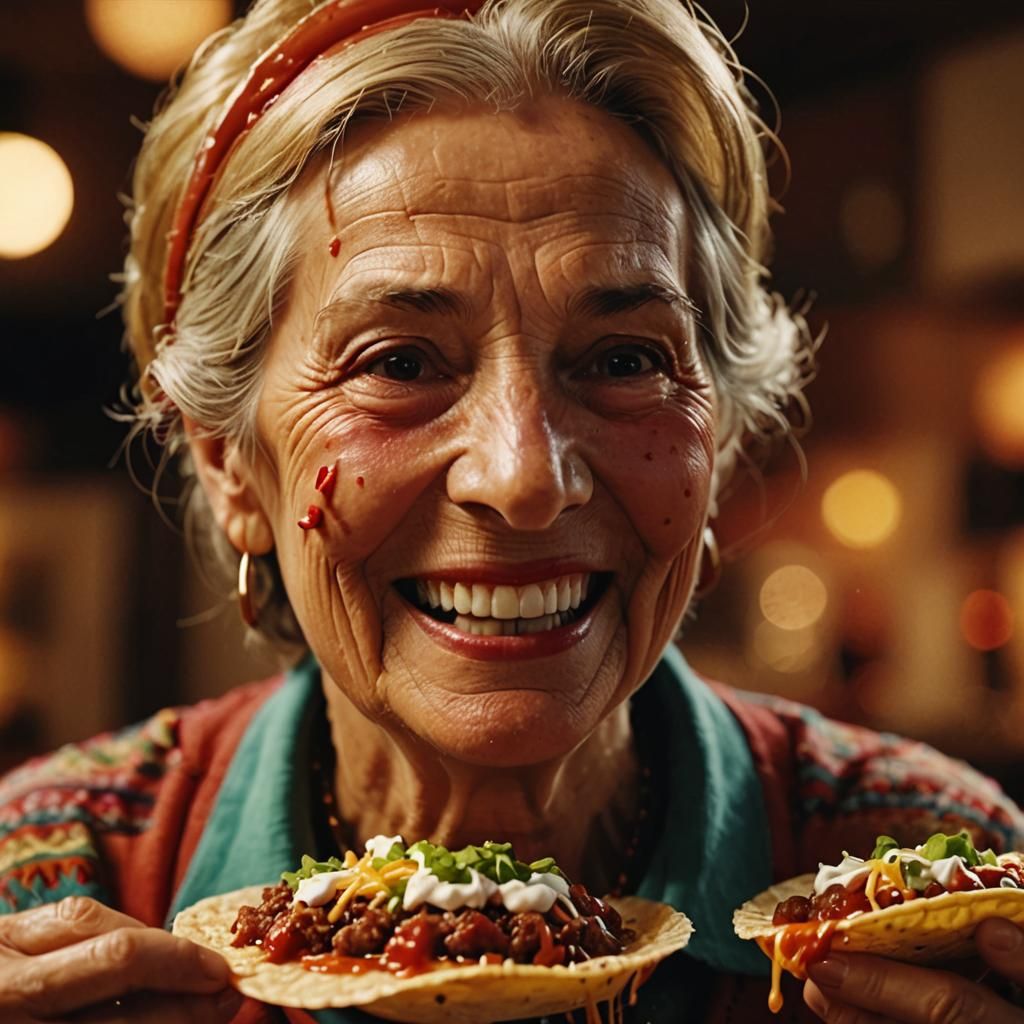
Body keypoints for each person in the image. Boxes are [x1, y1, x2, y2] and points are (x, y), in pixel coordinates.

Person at [1, 1, 1023, 1022]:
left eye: (625, 360)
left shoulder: (951, 874)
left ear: (721, 434)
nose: (523, 476)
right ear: (227, 461)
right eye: (397, 363)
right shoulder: (48, 873)